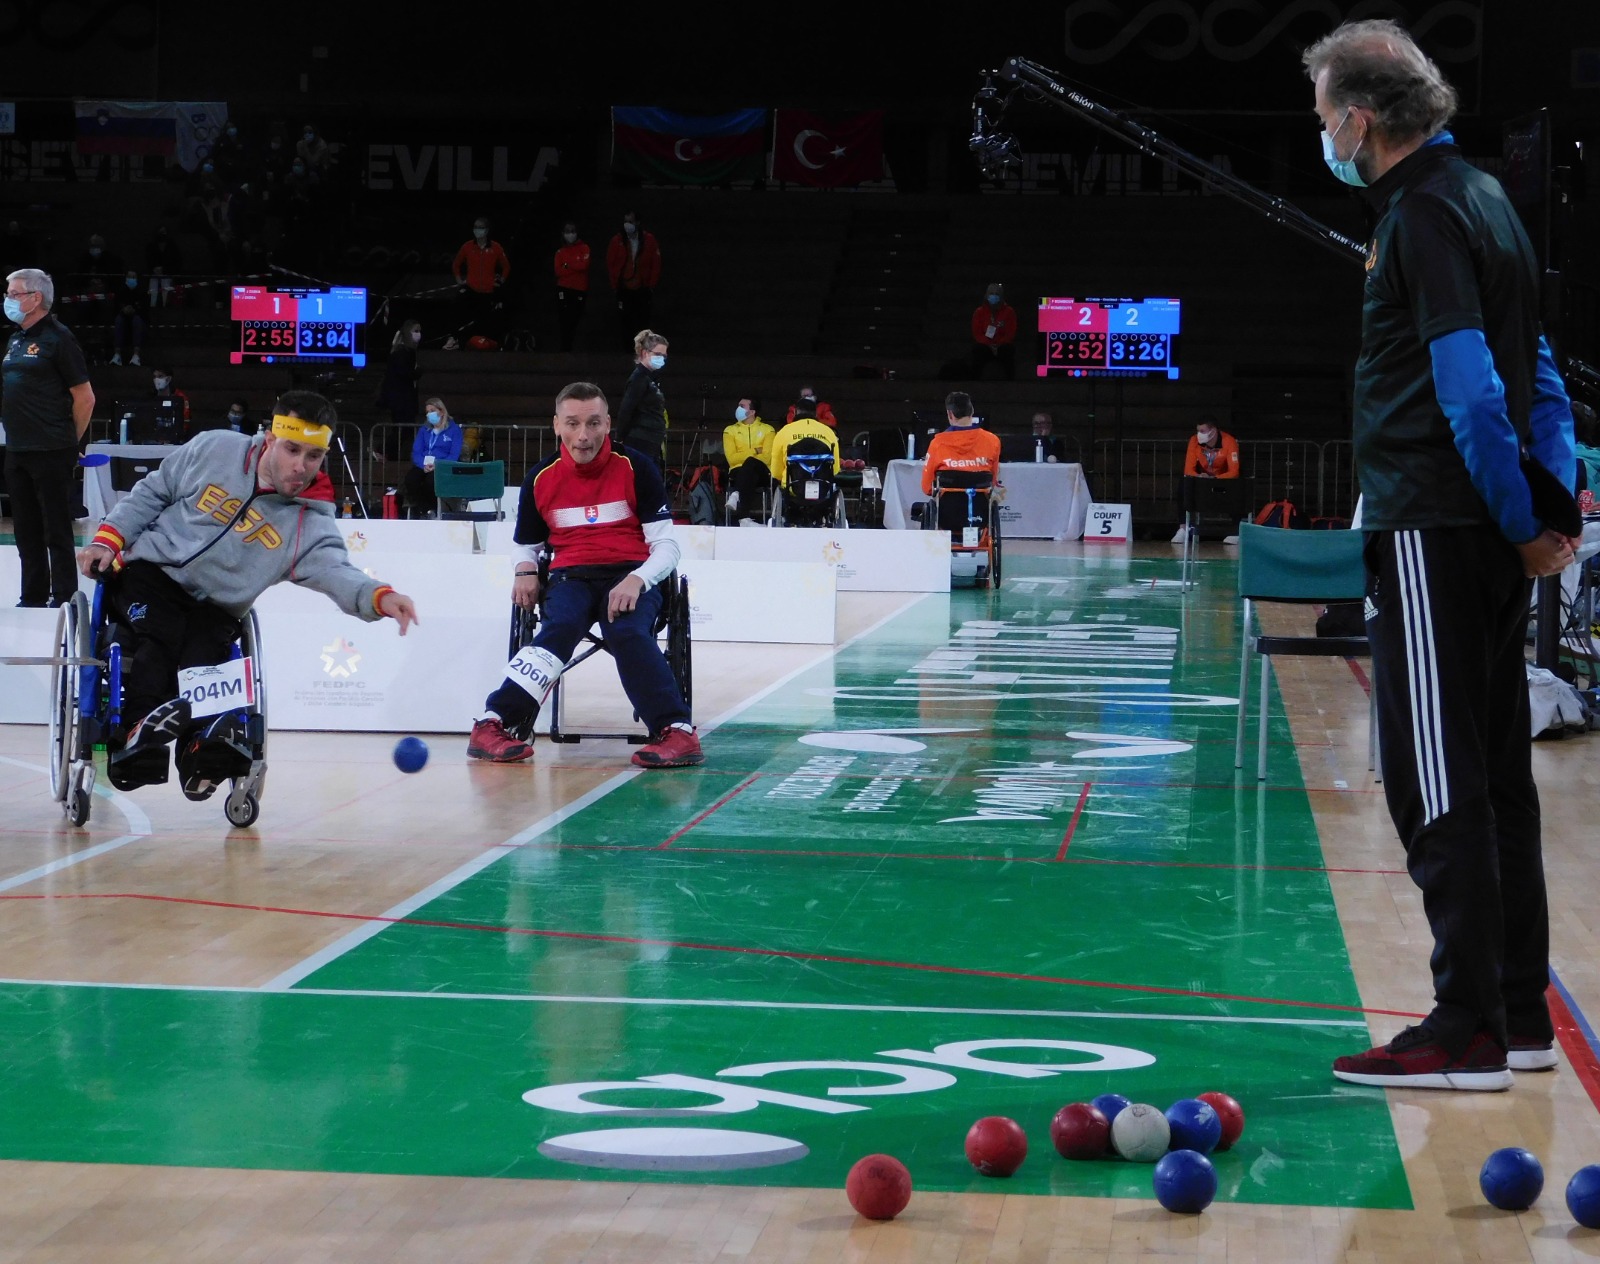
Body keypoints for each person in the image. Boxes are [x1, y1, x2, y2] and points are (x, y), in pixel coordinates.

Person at [1303, 20, 1579, 1091]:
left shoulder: (1417, 215)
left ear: (1359, 121)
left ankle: (1461, 1021)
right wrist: (1545, 512)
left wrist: (1519, 520)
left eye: (1323, 113)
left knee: (1433, 777)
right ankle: (1516, 1014)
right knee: (1498, 773)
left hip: (1429, 526)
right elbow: (1541, 377)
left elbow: (1472, 391)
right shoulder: (1487, 200)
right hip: (1487, 540)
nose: (1319, 131)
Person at [77, 390, 418, 796]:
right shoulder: (215, 449)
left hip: (216, 608)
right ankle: (134, 734)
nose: (301, 466)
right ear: (271, 440)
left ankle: (200, 751)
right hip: (150, 575)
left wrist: (379, 596)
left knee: (207, 653)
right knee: (164, 632)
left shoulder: (311, 521)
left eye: (313, 456)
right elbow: (153, 492)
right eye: (292, 450)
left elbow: (336, 572)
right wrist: (107, 539)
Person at [468, 381, 701, 769]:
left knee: (626, 631)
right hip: (569, 577)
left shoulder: (635, 467)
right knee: (560, 627)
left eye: (593, 423)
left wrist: (638, 579)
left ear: (608, 423)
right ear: (556, 425)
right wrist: (525, 568)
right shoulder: (541, 478)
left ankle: (676, 731)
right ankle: (494, 723)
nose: (583, 435)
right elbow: (527, 545)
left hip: (630, 575)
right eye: (573, 424)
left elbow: (668, 546)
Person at [3, 269, 94, 608]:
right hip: (17, 448)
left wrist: (71, 443)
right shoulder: (15, 339)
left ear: (35, 298)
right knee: (25, 529)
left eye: (14, 294)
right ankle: (33, 595)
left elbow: (85, 397)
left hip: (52, 447)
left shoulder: (59, 338)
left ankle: (65, 595)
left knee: (55, 526)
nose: (8, 299)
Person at [922, 391, 1002, 497]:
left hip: (947, 511)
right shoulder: (993, 441)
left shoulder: (937, 443)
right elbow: (993, 482)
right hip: (980, 509)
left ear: (950, 414)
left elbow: (927, 487)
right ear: (972, 411)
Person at [615, 329, 669, 471]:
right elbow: (626, 409)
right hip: (640, 442)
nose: (662, 359)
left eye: (664, 355)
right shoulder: (638, 378)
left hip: (651, 441)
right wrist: (618, 438)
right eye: (658, 354)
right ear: (645, 353)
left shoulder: (650, 378)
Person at [403, 397, 463, 518]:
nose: (429, 414)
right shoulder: (424, 430)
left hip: (442, 465)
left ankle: (433, 508)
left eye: (432, 410)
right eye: (427, 412)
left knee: (430, 482)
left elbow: (454, 455)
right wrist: (423, 465)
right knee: (411, 480)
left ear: (441, 411)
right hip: (424, 464)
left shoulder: (454, 430)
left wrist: (438, 465)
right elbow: (416, 451)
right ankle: (423, 510)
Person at [453, 217, 510, 344]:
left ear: (487, 230)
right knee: (465, 319)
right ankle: (460, 343)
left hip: (488, 292)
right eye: (475, 227)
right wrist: (459, 280)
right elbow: (456, 264)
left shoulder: (496, 247)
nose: (477, 230)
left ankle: (487, 347)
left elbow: (506, 267)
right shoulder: (467, 246)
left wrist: (501, 281)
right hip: (471, 290)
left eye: (480, 227)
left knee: (486, 323)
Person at [722, 397, 775, 523]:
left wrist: (744, 455)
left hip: (762, 470)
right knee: (749, 470)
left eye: (742, 406)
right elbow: (732, 459)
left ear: (752, 412)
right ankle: (743, 518)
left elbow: (768, 457)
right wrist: (756, 451)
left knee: (750, 464)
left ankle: (737, 495)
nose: (738, 408)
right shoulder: (730, 430)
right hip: (737, 471)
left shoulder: (768, 429)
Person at [607, 211, 661, 333]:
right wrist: (615, 285)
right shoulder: (617, 240)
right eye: (625, 222)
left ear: (637, 222)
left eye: (630, 222)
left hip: (642, 286)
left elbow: (656, 263)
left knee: (643, 321)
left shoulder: (649, 240)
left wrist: (651, 285)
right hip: (624, 286)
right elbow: (611, 263)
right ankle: (627, 349)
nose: (627, 225)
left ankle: (640, 349)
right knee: (626, 321)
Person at [376, 320, 422, 443]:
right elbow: (403, 373)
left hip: (405, 399)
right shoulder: (401, 353)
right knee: (403, 429)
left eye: (419, 331)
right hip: (400, 400)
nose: (418, 334)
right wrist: (417, 373)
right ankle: (382, 451)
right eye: (415, 331)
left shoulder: (409, 352)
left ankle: (387, 453)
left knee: (405, 429)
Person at [553, 221, 590, 352]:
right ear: (563, 234)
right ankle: (565, 348)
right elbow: (558, 271)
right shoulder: (560, 252)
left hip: (579, 289)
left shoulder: (584, 248)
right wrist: (574, 265)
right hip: (563, 288)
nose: (570, 234)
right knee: (564, 319)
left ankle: (571, 347)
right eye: (567, 231)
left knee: (575, 319)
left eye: (572, 231)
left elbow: (583, 266)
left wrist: (567, 265)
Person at [969, 283, 1018, 380]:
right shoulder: (979, 312)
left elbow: (1010, 332)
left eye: (997, 293)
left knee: (1008, 351)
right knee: (978, 351)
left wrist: (998, 344)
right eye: (991, 293)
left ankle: (1010, 383)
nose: (994, 296)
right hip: (985, 345)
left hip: (1002, 345)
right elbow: (977, 333)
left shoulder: (1009, 312)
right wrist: (989, 344)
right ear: (987, 295)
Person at [111, 268, 148, 367]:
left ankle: (136, 356)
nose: (131, 279)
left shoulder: (142, 291)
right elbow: (116, 306)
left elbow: (145, 309)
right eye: (129, 277)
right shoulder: (120, 291)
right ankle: (117, 355)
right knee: (118, 320)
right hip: (124, 319)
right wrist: (123, 309)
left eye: (133, 277)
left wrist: (134, 310)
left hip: (138, 319)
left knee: (137, 321)